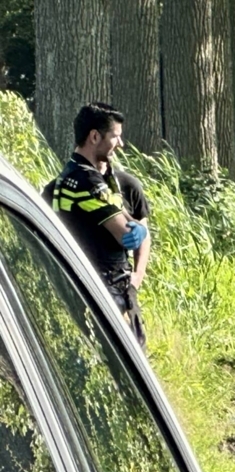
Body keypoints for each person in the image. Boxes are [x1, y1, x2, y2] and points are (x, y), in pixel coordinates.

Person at [42, 102, 149, 347]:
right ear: (94, 136)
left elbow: (132, 224)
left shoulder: (67, 178)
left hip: (93, 289)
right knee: (123, 368)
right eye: (115, 137)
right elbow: (126, 235)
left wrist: (136, 279)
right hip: (102, 290)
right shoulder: (87, 180)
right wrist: (136, 229)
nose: (120, 145)